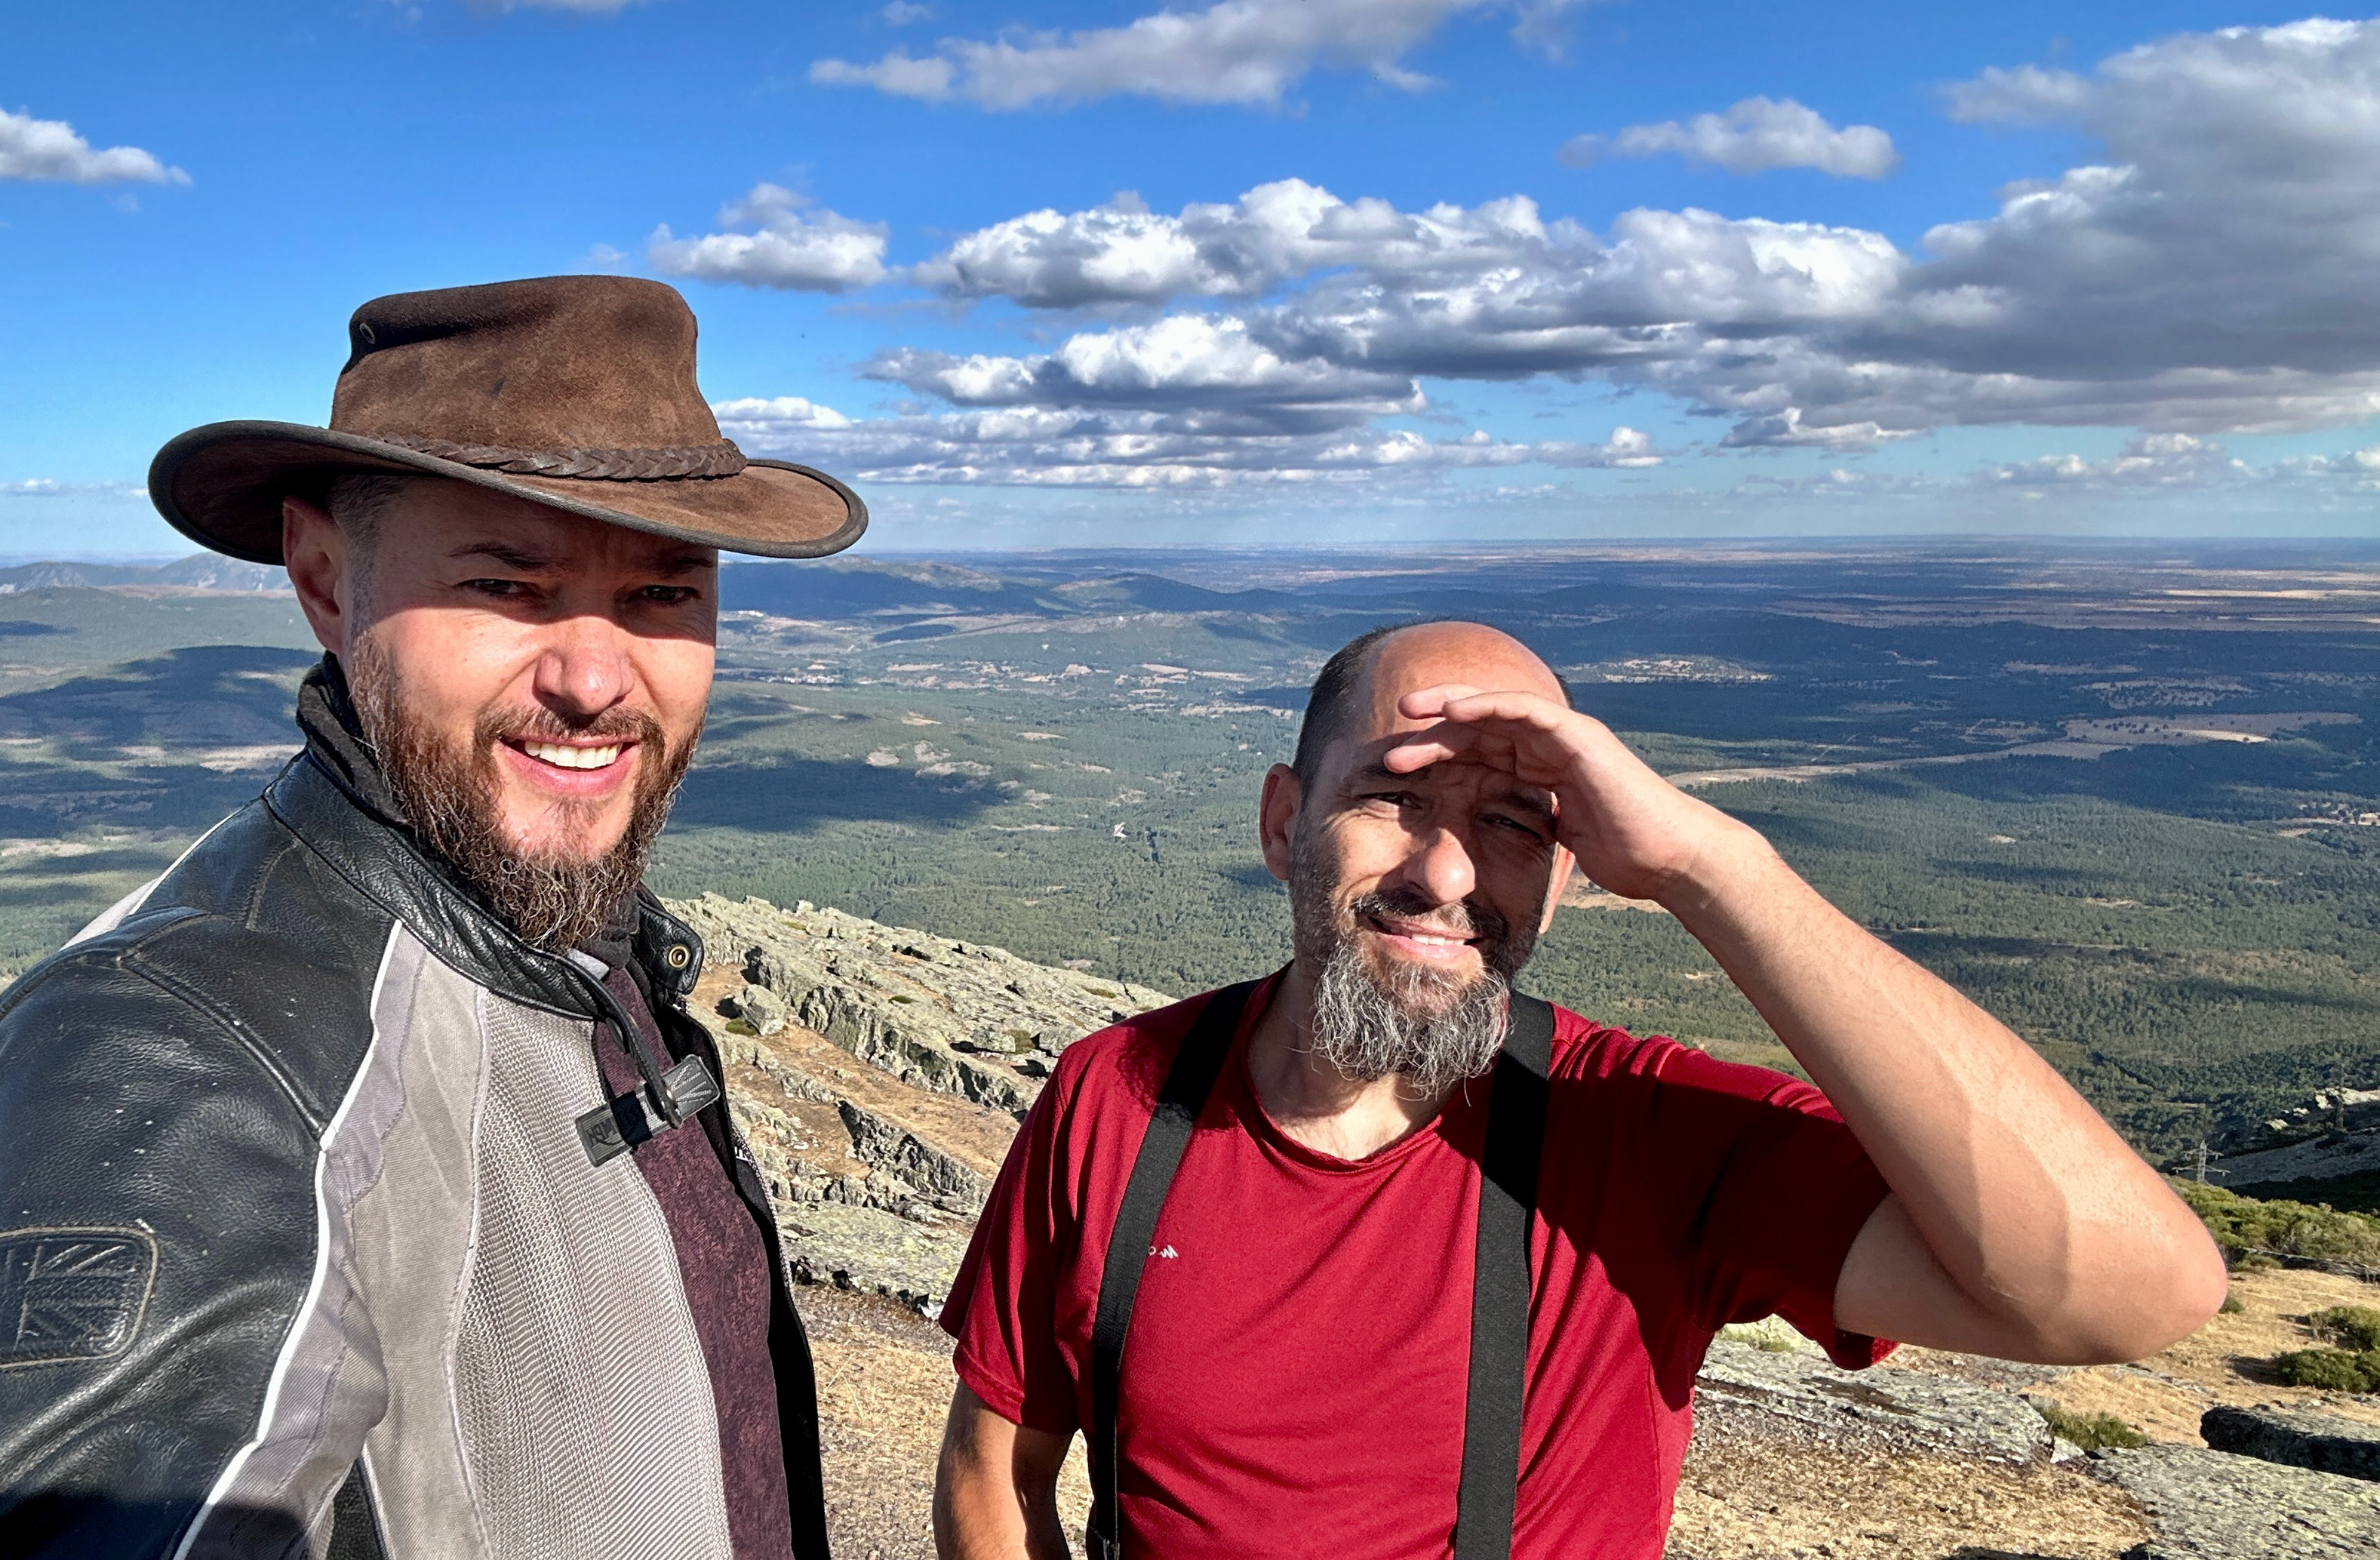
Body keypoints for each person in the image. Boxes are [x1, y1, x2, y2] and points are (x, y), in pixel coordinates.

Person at [933, 620, 2228, 1560]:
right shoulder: (1121, 1093)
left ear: (1562, 878)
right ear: (1286, 824)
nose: (1447, 875)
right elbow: (995, 1470)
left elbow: (2132, 1292)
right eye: (1393, 798)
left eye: (1516, 824)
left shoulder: (1645, 1136)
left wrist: (1709, 865)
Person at [0, 276, 866, 1558]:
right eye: (506, 585)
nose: (596, 680)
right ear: (324, 581)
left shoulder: (566, 938)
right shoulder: (172, 1045)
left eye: (663, 595)